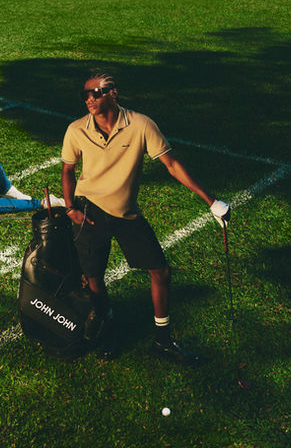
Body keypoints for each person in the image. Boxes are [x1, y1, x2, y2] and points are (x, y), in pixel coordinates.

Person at [60, 72, 230, 363]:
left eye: (96, 92)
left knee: (160, 272)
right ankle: (109, 330)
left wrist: (212, 201)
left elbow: (171, 164)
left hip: (126, 214)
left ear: (113, 93)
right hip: (89, 212)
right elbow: (67, 170)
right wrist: (70, 208)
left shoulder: (141, 124)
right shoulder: (76, 129)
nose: (89, 99)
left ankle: (163, 340)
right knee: (94, 279)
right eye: (85, 94)